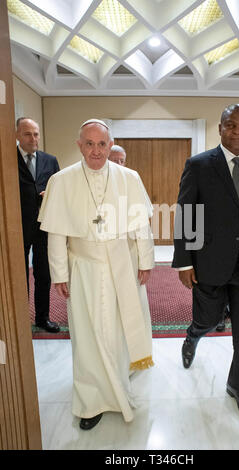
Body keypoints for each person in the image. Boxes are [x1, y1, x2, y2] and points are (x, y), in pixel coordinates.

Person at [38, 119, 154, 430]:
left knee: (117, 332)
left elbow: (141, 225)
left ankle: (118, 388)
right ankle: (90, 403)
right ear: (79, 145)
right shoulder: (61, 182)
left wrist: (145, 261)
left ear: (109, 145)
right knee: (87, 337)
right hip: (84, 269)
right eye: (89, 143)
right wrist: (59, 274)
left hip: (122, 266)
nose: (96, 150)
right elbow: (56, 233)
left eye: (102, 144)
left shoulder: (129, 178)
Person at [172, 104, 239, 423]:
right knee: (208, 318)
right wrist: (184, 262)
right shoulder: (200, 164)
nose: (237, 131)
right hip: (210, 262)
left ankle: (237, 385)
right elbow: (187, 214)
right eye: (230, 125)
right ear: (219, 128)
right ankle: (193, 333)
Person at [16, 117, 60, 333]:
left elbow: (59, 191)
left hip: (44, 227)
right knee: (19, 275)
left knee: (43, 275)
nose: (33, 138)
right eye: (27, 134)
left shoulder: (50, 160)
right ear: (17, 135)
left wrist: (49, 195)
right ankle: (21, 319)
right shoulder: (6, 158)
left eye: (36, 134)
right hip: (17, 227)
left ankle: (43, 318)